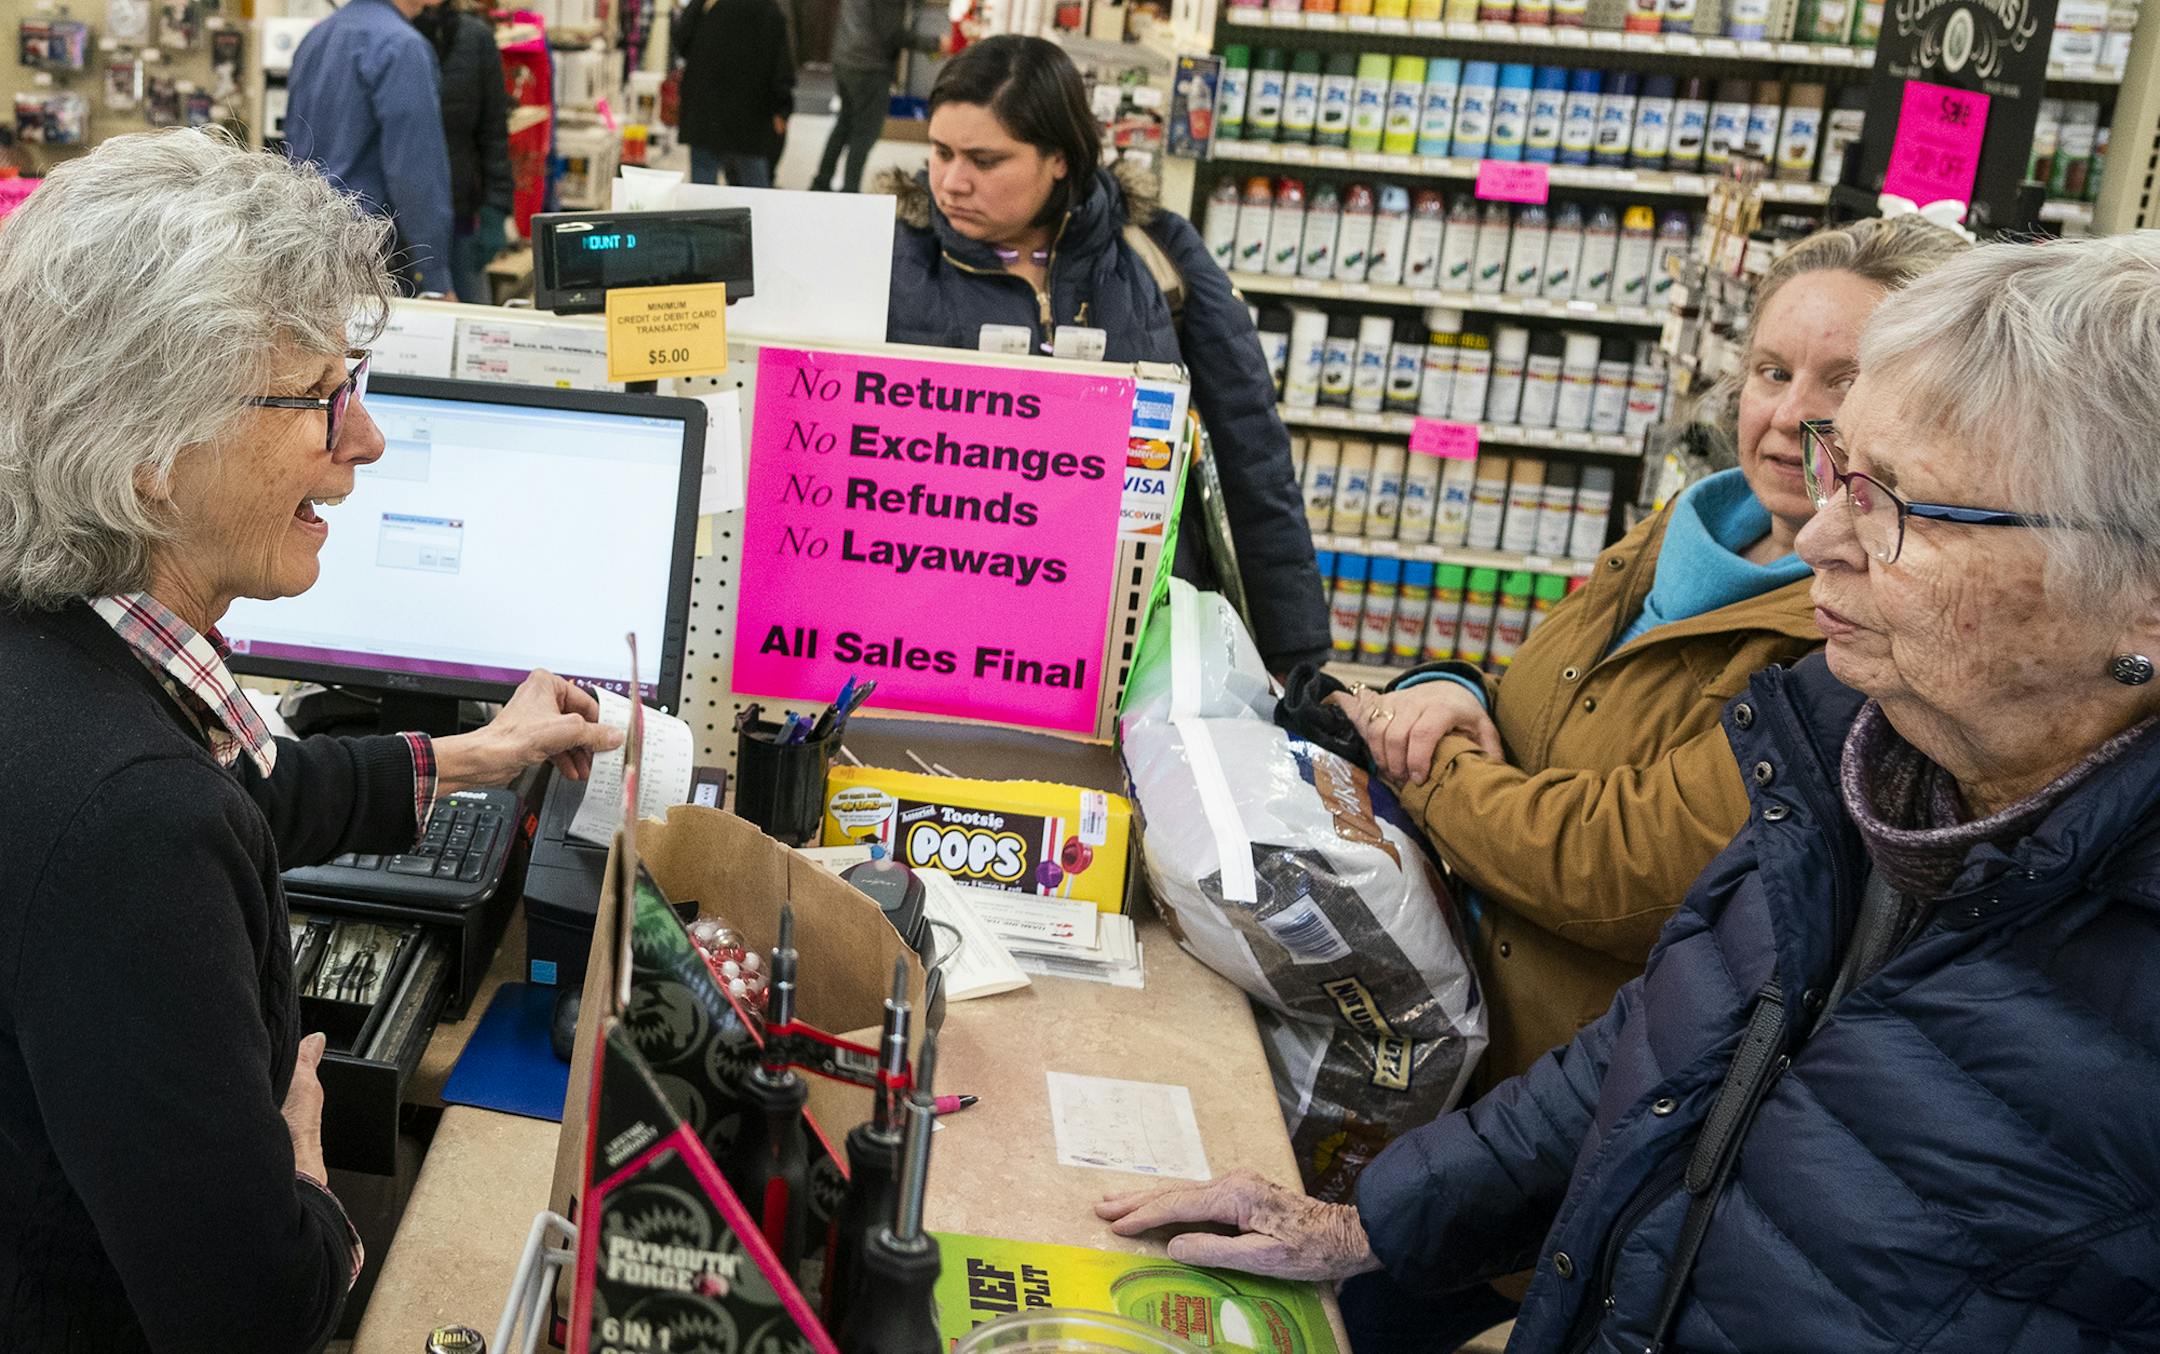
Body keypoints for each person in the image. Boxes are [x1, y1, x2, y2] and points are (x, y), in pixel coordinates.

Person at [1100, 232, 2160, 1350]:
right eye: (1844, 469)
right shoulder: (1858, 749)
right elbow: (1660, 1048)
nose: (1829, 535)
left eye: (1904, 505)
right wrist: (1362, 1223)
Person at [0, 131, 620, 1351]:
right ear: (147, 449)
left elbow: (241, 789)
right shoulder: (134, 821)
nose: (366, 440)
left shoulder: (65, 637)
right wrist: (306, 1165)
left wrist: (476, 757)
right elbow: (252, 1313)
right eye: (318, 400)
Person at [1321, 215, 1967, 1349]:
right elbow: (1536, 704)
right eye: (1772, 371)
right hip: (1451, 1094)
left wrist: (1417, 765)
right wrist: (1448, 687)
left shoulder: (1844, 649)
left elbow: (1617, 865)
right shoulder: (1687, 531)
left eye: (1841, 382)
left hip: (1560, 1187)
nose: (1791, 414)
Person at [880, 35, 1329, 673]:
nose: (953, 182)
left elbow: (1248, 448)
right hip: (941, 630)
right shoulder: (894, 263)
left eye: (985, 159)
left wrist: (1296, 654)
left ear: (1058, 158)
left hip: (1136, 638)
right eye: (941, 152)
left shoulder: (1156, 257)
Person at [284, 0, 458, 298]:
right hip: (369, 254)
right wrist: (435, 278)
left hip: (306, 243)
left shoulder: (318, 36)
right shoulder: (402, 47)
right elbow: (415, 173)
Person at [416, 0, 514, 305]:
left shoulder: (476, 38)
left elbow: (494, 132)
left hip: (460, 219)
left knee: (470, 328)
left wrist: (496, 209)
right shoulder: (392, 36)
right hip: (398, 223)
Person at [813, 0, 942, 193]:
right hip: (869, 65)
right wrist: (936, 44)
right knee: (864, 133)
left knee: (844, 123)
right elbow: (892, 34)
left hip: (846, 57)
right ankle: (850, 192)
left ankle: (820, 184)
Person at [674, 0, 794, 187]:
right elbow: (780, 65)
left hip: (705, 107)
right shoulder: (768, 9)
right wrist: (782, 107)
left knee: (703, 185)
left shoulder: (708, 3)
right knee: (754, 186)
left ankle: (706, 217)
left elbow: (682, 39)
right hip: (750, 111)